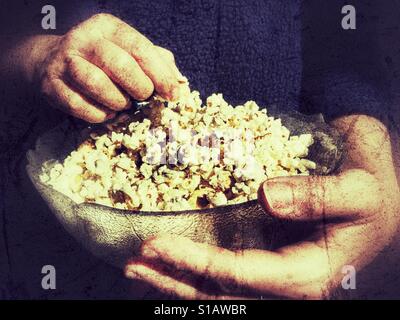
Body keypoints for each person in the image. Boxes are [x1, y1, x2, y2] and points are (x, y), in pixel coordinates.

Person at [1, 0, 399, 299]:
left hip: (278, 240)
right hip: (68, 261)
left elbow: (347, 46)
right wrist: (36, 57)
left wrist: (370, 165)